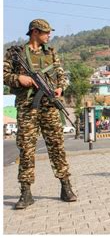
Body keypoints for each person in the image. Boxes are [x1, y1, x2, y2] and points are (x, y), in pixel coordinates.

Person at [3, 19, 77, 209]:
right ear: (35, 32)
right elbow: (4, 75)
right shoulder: (15, 54)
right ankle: (26, 192)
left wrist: (60, 88)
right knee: (26, 149)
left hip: (49, 107)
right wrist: (19, 78)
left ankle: (65, 187)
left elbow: (62, 75)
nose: (49, 35)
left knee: (57, 147)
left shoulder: (50, 53)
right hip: (27, 107)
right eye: (45, 32)